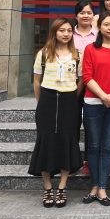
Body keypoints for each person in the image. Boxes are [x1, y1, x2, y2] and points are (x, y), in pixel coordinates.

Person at [29, 18, 83, 208]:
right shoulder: (43, 54)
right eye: (62, 30)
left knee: (67, 140)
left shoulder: (78, 55)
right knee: (46, 141)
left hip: (69, 101)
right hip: (47, 101)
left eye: (69, 30)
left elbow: (80, 81)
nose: (66, 34)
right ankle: (47, 187)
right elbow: (37, 81)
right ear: (54, 32)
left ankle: (62, 186)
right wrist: (41, 102)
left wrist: (71, 97)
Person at [82, 11, 110, 206]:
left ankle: (102, 188)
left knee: (108, 147)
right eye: (106, 24)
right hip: (93, 103)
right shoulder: (90, 48)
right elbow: (87, 77)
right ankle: (94, 186)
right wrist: (103, 96)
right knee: (93, 146)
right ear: (99, 27)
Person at [73, 0, 97, 177]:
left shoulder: (98, 36)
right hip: (70, 86)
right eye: (82, 12)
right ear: (76, 15)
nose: (85, 16)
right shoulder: (68, 33)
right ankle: (73, 161)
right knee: (72, 125)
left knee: (90, 126)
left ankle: (88, 161)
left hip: (92, 86)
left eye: (89, 12)